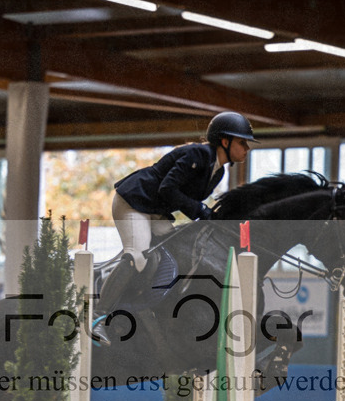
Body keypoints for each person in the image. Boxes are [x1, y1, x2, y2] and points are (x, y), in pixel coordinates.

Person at [94, 111, 256, 344]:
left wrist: (208, 216)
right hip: (133, 201)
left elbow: (183, 200)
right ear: (225, 141)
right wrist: (201, 211)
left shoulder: (218, 171)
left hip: (154, 210)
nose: (247, 149)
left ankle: (141, 304)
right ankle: (98, 318)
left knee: (173, 252)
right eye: (242, 142)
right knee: (138, 255)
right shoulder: (198, 154)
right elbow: (168, 189)